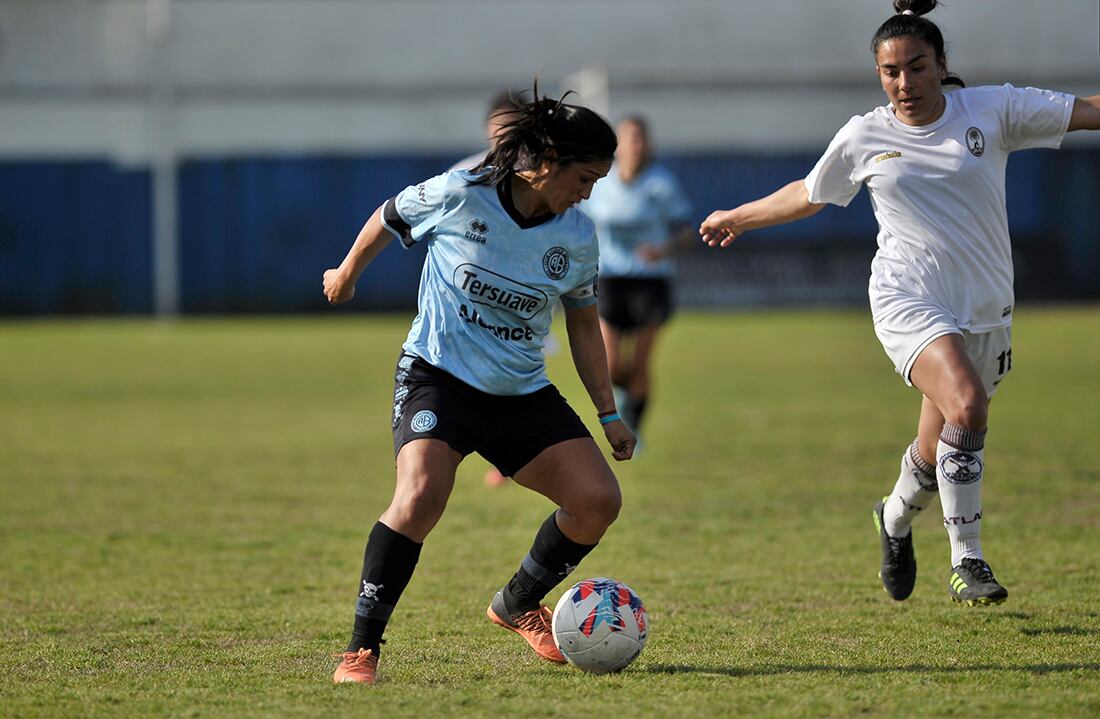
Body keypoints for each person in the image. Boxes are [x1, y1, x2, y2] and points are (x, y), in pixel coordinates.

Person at [700, 0, 1100, 607]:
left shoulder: (992, 109)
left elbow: (1089, 112)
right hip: (906, 297)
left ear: (942, 66)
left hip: (986, 307)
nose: (904, 83)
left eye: (916, 67)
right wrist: (740, 218)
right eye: (891, 71)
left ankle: (892, 518)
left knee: (937, 438)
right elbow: (811, 193)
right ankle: (968, 560)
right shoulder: (865, 134)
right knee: (966, 404)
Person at [323, 86, 636, 685]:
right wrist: (346, 273)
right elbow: (389, 215)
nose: (589, 192)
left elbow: (582, 323)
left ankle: (518, 603)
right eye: (585, 177)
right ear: (547, 162)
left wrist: (608, 413)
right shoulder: (462, 192)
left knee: (598, 501)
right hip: (437, 378)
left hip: (520, 392)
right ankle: (361, 651)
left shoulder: (576, 234)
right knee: (418, 498)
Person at [580, 115, 695, 436]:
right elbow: (577, 221)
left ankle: (636, 428)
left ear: (648, 144)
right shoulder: (601, 183)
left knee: (641, 365)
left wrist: (663, 250)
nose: (634, 145)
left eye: (640, 138)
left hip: (651, 282)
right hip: (609, 280)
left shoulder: (661, 184)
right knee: (612, 364)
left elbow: (686, 233)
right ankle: (623, 400)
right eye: (628, 138)